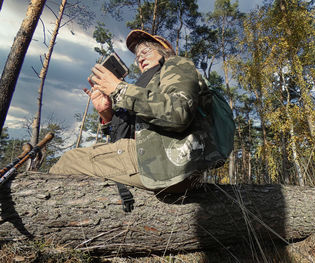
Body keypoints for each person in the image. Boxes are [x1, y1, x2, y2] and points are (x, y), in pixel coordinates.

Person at [49, 29, 225, 193]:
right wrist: (106, 113)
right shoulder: (151, 85)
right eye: (137, 57)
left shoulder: (177, 65)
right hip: (160, 163)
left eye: (146, 52)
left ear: (166, 52)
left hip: (171, 164)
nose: (140, 59)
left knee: (69, 160)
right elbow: (129, 137)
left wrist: (119, 89)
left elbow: (178, 113)